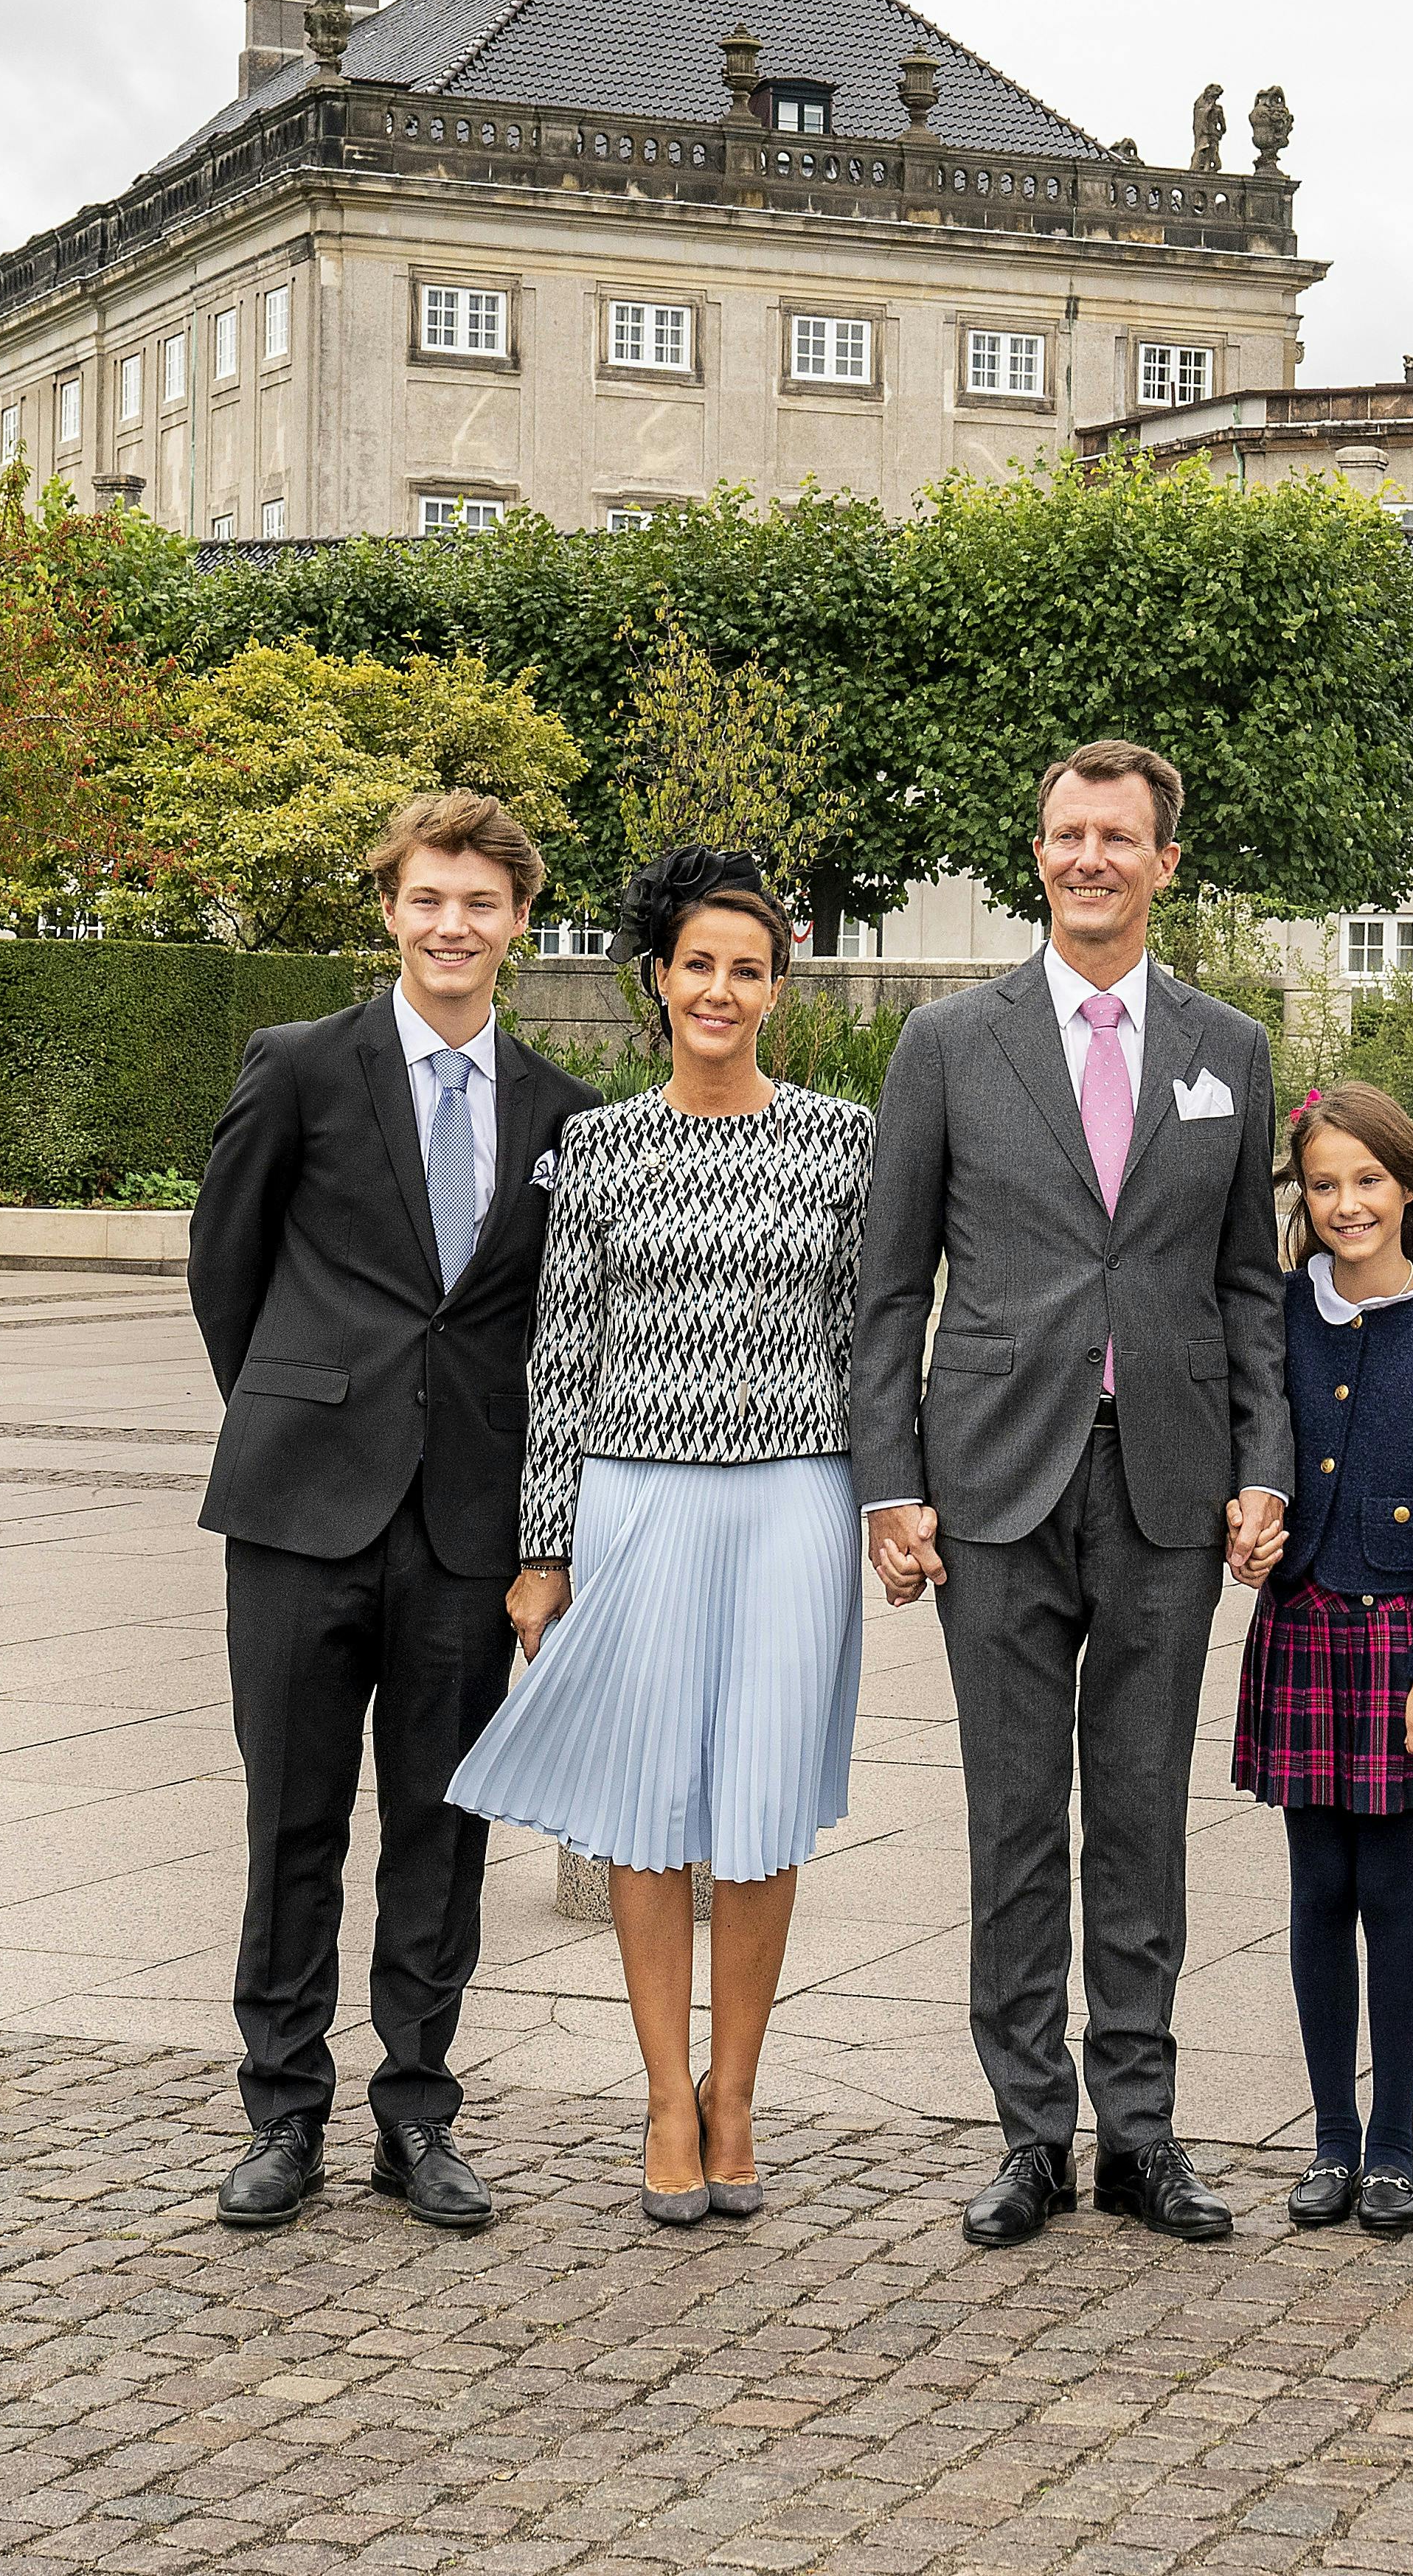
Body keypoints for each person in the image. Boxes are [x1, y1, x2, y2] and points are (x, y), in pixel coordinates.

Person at [852, 740, 1294, 2249]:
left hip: (1166, 1479)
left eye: (1118, 835)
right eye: (1065, 833)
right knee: (1014, 1816)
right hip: (995, 1476)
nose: (1089, 856)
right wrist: (890, 1482)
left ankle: (1144, 2131)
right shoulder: (948, 1045)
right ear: (1035, 854)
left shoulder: (1229, 1046)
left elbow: (1251, 1285)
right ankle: (1032, 2130)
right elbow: (888, 1284)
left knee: (1144, 1814)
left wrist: (1263, 1461)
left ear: (1168, 859)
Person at [447, 849, 875, 2224]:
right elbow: (559, 1356)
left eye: (746, 969)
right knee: (646, 1808)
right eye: (698, 964)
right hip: (636, 1496)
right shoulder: (603, 1148)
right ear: (659, 980)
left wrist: (890, 1504)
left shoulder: (842, 1143)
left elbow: (875, 1342)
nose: (720, 989)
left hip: (794, 1500)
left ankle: (737, 2092)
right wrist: (543, 1546)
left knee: (758, 1810)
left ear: (776, 992)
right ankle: (663, 2097)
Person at [190, 791, 596, 2232]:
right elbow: (224, 1271)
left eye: (481, 903)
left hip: (466, 1531)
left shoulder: (565, 1115)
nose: (452, 924)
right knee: (291, 1823)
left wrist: (541, 1533)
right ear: (390, 909)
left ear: (517, 924)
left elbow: (562, 1332)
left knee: (442, 1830)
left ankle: (415, 2112)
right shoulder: (299, 1067)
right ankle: (281, 2113)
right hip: (300, 1513)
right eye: (429, 897)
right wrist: (301, 1409)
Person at [1234, 1084, 1413, 2238]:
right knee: (1316, 1890)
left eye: (1368, 1181)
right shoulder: (1277, 1310)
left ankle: (1395, 2145)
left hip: (1407, 1643)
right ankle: (1330, 2140)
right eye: (1324, 1183)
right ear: (1302, 1194)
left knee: (1393, 1888)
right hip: (1302, 1628)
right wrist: (1245, 1523)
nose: (1346, 1203)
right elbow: (1249, 1437)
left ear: (1410, 1188)